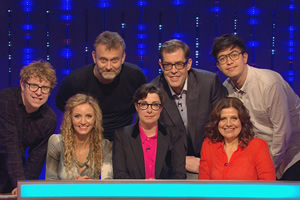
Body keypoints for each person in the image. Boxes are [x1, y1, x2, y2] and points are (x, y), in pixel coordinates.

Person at [211, 34, 300, 180]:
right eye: (223, 58)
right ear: (218, 66)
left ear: (244, 57)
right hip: (261, 157)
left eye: (234, 55)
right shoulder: (226, 89)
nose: (229, 62)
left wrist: (267, 168)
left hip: (293, 153)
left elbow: (283, 132)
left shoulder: (269, 83)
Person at [151, 39, 228, 179]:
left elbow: (225, 125)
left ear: (189, 64)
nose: (174, 71)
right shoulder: (153, 93)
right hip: (172, 163)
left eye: (179, 64)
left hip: (213, 157)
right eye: (168, 65)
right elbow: (148, 138)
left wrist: (208, 160)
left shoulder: (209, 83)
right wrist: (181, 160)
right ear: (161, 66)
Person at [56, 31, 147, 141]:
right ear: (94, 57)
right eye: (103, 60)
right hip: (87, 138)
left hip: (123, 139)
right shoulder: (75, 81)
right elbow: (62, 105)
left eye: (114, 60)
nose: (109, 67)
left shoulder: (135, 76)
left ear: (123, 58)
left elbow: (144, 106)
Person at [0, 60, 57, 194]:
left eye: (45, 88)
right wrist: (19, 183)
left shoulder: (48, 119)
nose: (39, 92)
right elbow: (10, 146)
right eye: (33, 86)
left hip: (13, 171)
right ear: (22, 84)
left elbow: (36, 160)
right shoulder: (6, 101)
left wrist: (25, 190)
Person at [113, 83, 186, 179]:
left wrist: (158, 187)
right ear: (136, 106)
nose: (149, 110)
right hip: (133, 193)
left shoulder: (175, 135)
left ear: (161, 108)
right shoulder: (122, 135)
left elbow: (179, 174)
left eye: (155, 105)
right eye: (144, 104)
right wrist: (142, 188)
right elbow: (120, 175)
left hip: (165, 193)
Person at [199, 97, 276, 180]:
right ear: (217, 123)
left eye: (234, 118)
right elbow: (203, 186)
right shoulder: (209, 145)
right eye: (223, 119)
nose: (228, 124)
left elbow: (268, 186)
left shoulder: (258, 146)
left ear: (242, 121)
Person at [46, 94, 113, 180]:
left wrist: (90, 185)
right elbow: (50, 182)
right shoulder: (57, 142)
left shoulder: (104, 146)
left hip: (92, 193)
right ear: (70, 118)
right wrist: (75, 187)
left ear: (95, 119)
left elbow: (107, 183)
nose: (83, 122)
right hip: (63, 193)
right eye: (77, 116)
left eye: (88, 116)